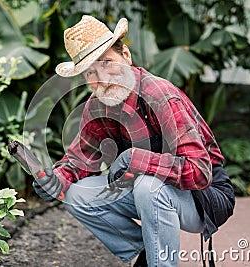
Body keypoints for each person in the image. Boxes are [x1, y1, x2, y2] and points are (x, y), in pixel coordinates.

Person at [32, 15, 235, 267]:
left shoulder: (161, 96)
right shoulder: (97, 106)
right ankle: (144, 252)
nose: (102, 79)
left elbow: (200, 173)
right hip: (149, 191)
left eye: (107, 62)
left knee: (148, 185)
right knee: (75, 194)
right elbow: (79, 159)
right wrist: (56, 180)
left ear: (126, 55)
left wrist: (135, 159)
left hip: (203, 197)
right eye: (90, 72)